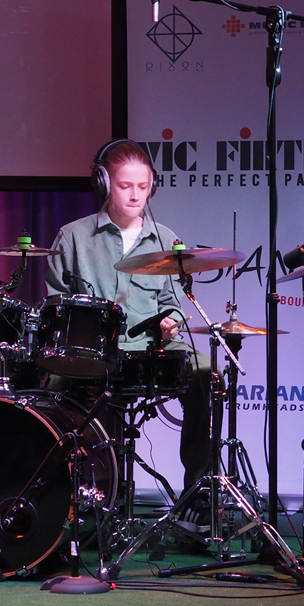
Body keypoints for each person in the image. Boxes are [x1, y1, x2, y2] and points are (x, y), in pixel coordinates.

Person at [44, 139, 218, 531]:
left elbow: (172, 301)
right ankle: (75, 497)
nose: (136, 195)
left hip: (150, 348)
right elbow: (57, 303)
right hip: (94, 351)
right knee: (52, 385)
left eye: (143, 186)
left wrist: (171, 321)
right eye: (125, 186)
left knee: (208, 373)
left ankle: (197, 495)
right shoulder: (72, 237)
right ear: (104, 184)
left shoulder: (165, 237)